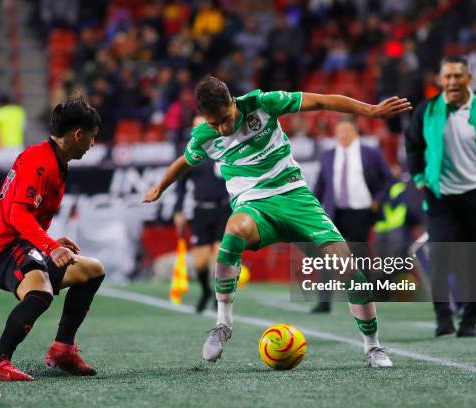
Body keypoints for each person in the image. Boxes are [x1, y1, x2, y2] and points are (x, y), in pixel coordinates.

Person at [144, 75, 411, 367]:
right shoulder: (204, 137)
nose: (222, 128)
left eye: (224, 119)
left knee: (349, 270)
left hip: (296, 197)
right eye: (213, 123)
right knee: (234, 230)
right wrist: (161, 185)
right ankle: (223, 324)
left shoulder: (264, 103)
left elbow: (322, 100)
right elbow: (184, 162)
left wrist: (371, 110)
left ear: (233, 103)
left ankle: (373, 347)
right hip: (254, 204)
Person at [0, 96, 104, 381]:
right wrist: (49, 245)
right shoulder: (41, 161)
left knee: (92, 270)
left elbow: (25, 217)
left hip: (24, 245)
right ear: (77, 134)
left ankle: (63, 349)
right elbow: (17, 215)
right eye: (92, 137)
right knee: (41, 291)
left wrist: (49, 240)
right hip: (4, 251)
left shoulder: (54, 160)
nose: (93, 144)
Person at [405, 56, 476, 337]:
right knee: (440, 257)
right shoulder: (426, 112)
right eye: (448, 77)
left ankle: (470, 322)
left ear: (469, 80)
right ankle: (443, 318)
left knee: (474, 260)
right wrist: (418, 178)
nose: (452, 82)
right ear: (441, 81)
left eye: (458, 76)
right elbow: (413, 145)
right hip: (440, 197)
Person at [313, 118, 394, 312]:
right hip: (335, 212)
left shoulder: (370, 152)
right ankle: (324, 302)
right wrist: (314, 208)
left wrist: (378, 199)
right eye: (339, 131)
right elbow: (320, 185)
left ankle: (365, 297)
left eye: (346, 131)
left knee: (359, 255)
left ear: (355, 131)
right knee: (328, 254)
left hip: (361, 211)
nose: (342, 135)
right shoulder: (328, 155)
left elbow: (388, 178)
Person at [173, 115, 231, 313]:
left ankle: (219, 295)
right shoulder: (191, 154)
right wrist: (179, 210)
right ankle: (206, 291)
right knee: (200, 260)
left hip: (223, 209)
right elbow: (180, 185)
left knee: (220, 255)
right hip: (200, 210)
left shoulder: (223, 150)